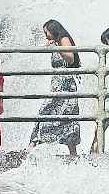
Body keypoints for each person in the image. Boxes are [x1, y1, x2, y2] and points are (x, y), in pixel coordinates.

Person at [30, 19, 82, 158]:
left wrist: (56, 47)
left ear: (53, 30)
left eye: (46, 32)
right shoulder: (56, 41)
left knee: (63, 115)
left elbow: (70, 58)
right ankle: (34, 146)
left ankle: (33, 146)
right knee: (52, 113)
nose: (46, 35)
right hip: (57, 84)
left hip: (66, 84)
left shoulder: (64, 39)